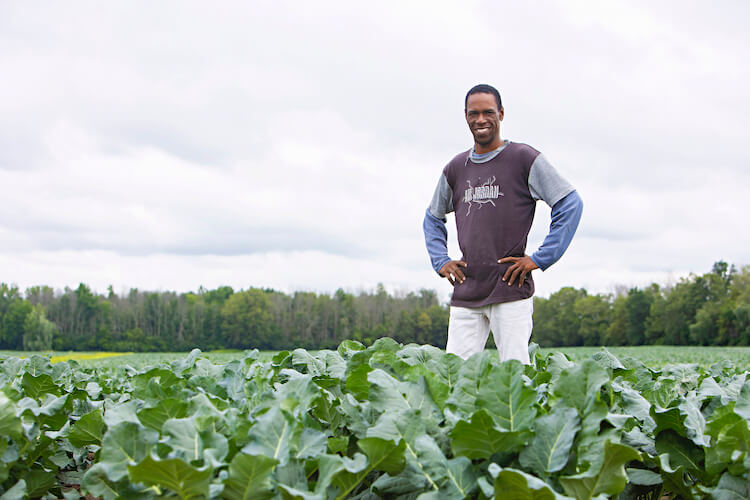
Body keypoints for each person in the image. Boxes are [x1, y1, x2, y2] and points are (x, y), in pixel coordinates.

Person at [423, 84, 583, 363]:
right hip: (467, 291)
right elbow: (432, 218)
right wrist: (441, 260)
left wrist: (539, 258)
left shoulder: (523, 159)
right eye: (474, 113)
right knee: (454, 376)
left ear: (501, 113)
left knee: (516, 376)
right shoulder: (455, 168)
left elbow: (570, 203)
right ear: (466, 116)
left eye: (488, 112)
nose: (481, 120)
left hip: (510, 288)